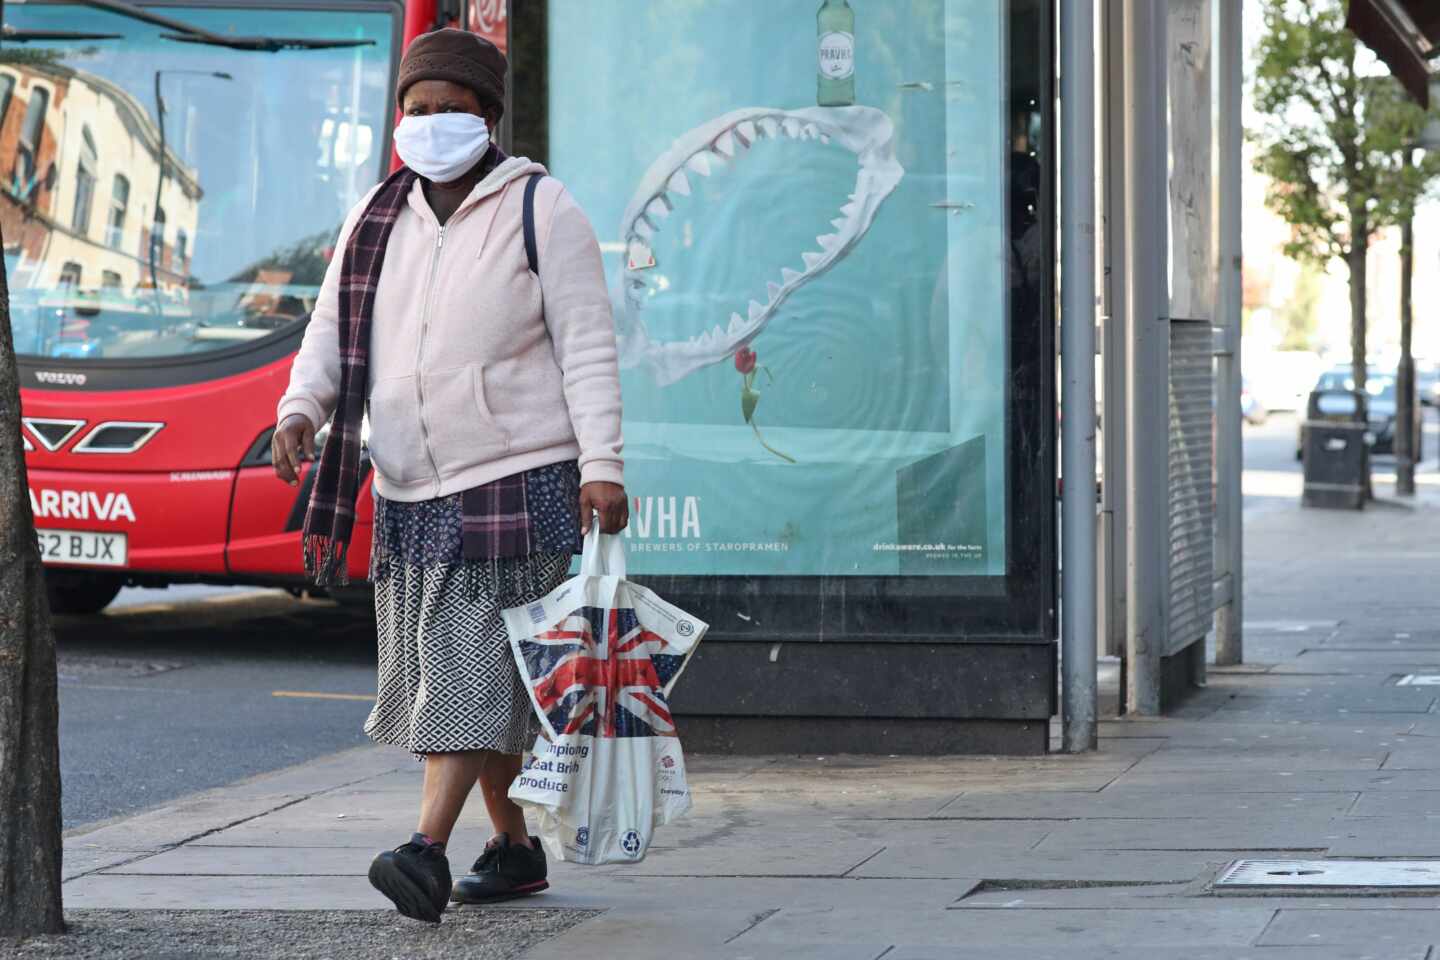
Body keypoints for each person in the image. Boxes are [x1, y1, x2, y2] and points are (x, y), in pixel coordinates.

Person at [271, 28, 627, 923]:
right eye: (415, 108)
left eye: (448, 108)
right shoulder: (374, 219)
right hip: (406, 486)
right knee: (468, 673)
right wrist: (299, 412)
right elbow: (329, 334)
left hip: (515, 477)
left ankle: (425, 850)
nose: (428, 124)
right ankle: (511, 848)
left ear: (488, 115)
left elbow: (587, 346)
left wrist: (603, 464)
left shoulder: (542, 209)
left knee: (465, 673)